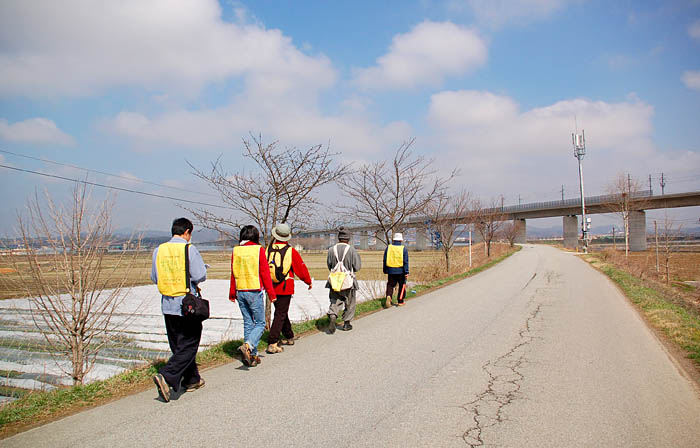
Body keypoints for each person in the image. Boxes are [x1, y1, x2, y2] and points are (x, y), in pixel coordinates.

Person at [151, 217, 207, 403]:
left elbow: (154, 277)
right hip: (186, 304)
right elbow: (199, 275)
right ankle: (167, 375)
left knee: (178, 344)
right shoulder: (188, 249)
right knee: (190, 343)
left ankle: (192, 380)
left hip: (167, 303)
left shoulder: (159, 250)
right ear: (187, 232)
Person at [229, 225, 277, 367]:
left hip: (240, 291)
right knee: (261, 323)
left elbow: (233, 273)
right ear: (255, 237)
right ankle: (249, 346)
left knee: (249, 322)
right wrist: (271, 293)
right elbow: (265, 273)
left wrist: (232, 293)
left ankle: (252, 355)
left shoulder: (236, 250)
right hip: (254, 290)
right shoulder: (258, 250)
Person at [265, 223, 313, 354]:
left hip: (271, 287)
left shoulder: (268, 250)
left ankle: (289, 336)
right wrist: (308, 281)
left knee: (281, 311)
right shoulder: (290, 251)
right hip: (285, 287)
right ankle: (272, 341)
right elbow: (301, 269)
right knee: (280, 313)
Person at [325, 227, 361, 333]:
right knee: (350, 302)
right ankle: (346, 323)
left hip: (335, 281)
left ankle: (333, 314)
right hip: (348, 281)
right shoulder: (352, 250)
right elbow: (357, 267)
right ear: (348, 238)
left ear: (338, 237)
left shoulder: (331, 250)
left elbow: (329, 265)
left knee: (335, 300)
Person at [383, 232, 409, 307]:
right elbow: (405, 261)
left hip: (391, 270)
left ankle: (389, 296)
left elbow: (385, 259)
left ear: (393, 240)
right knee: (402, 285)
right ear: (401, 240)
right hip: (400, 270)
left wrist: (385, 269)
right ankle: (400, 301)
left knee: (390, 285)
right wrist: (406, 272)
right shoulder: (403, 249)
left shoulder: (389, 248)